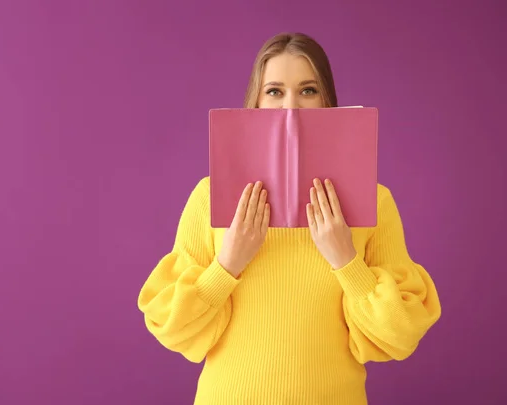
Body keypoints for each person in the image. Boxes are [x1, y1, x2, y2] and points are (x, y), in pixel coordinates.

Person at [137, 32, 441, 405]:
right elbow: (172, 327)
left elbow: (401, 333)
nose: (290, 107)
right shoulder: (209, 197)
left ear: (328, 100)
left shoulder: (374, 201)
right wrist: (227, 263)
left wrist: (346, 260)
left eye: (308, 90)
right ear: (256, 101)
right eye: (275, 91)